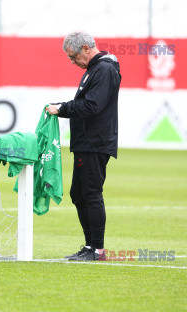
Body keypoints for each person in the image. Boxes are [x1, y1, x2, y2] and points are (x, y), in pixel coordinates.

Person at [45, 31, 121, 261]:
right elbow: (86, 104)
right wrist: (63, 106)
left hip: (95, 142)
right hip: (87, 142)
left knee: (90, 193)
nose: (72, 61)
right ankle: (90, 247)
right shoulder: (96, 69)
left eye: (73, 56)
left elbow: (91, 106)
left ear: (86, 48)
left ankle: (96, 249)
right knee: (78, 194)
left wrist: (62, 109)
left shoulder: (104, 69)